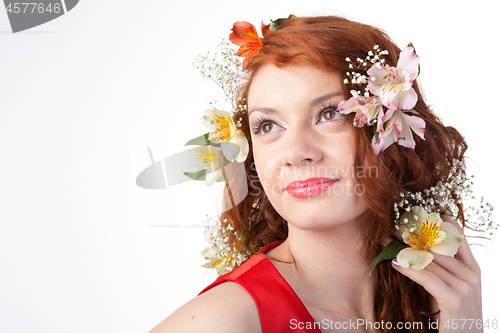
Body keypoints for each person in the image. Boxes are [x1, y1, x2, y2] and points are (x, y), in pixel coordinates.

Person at [149, 15, 486, 333]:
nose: (296, 152)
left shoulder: (430, 305)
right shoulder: (225, 319)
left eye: (329, 113)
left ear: (389, 129)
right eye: (267, 126)